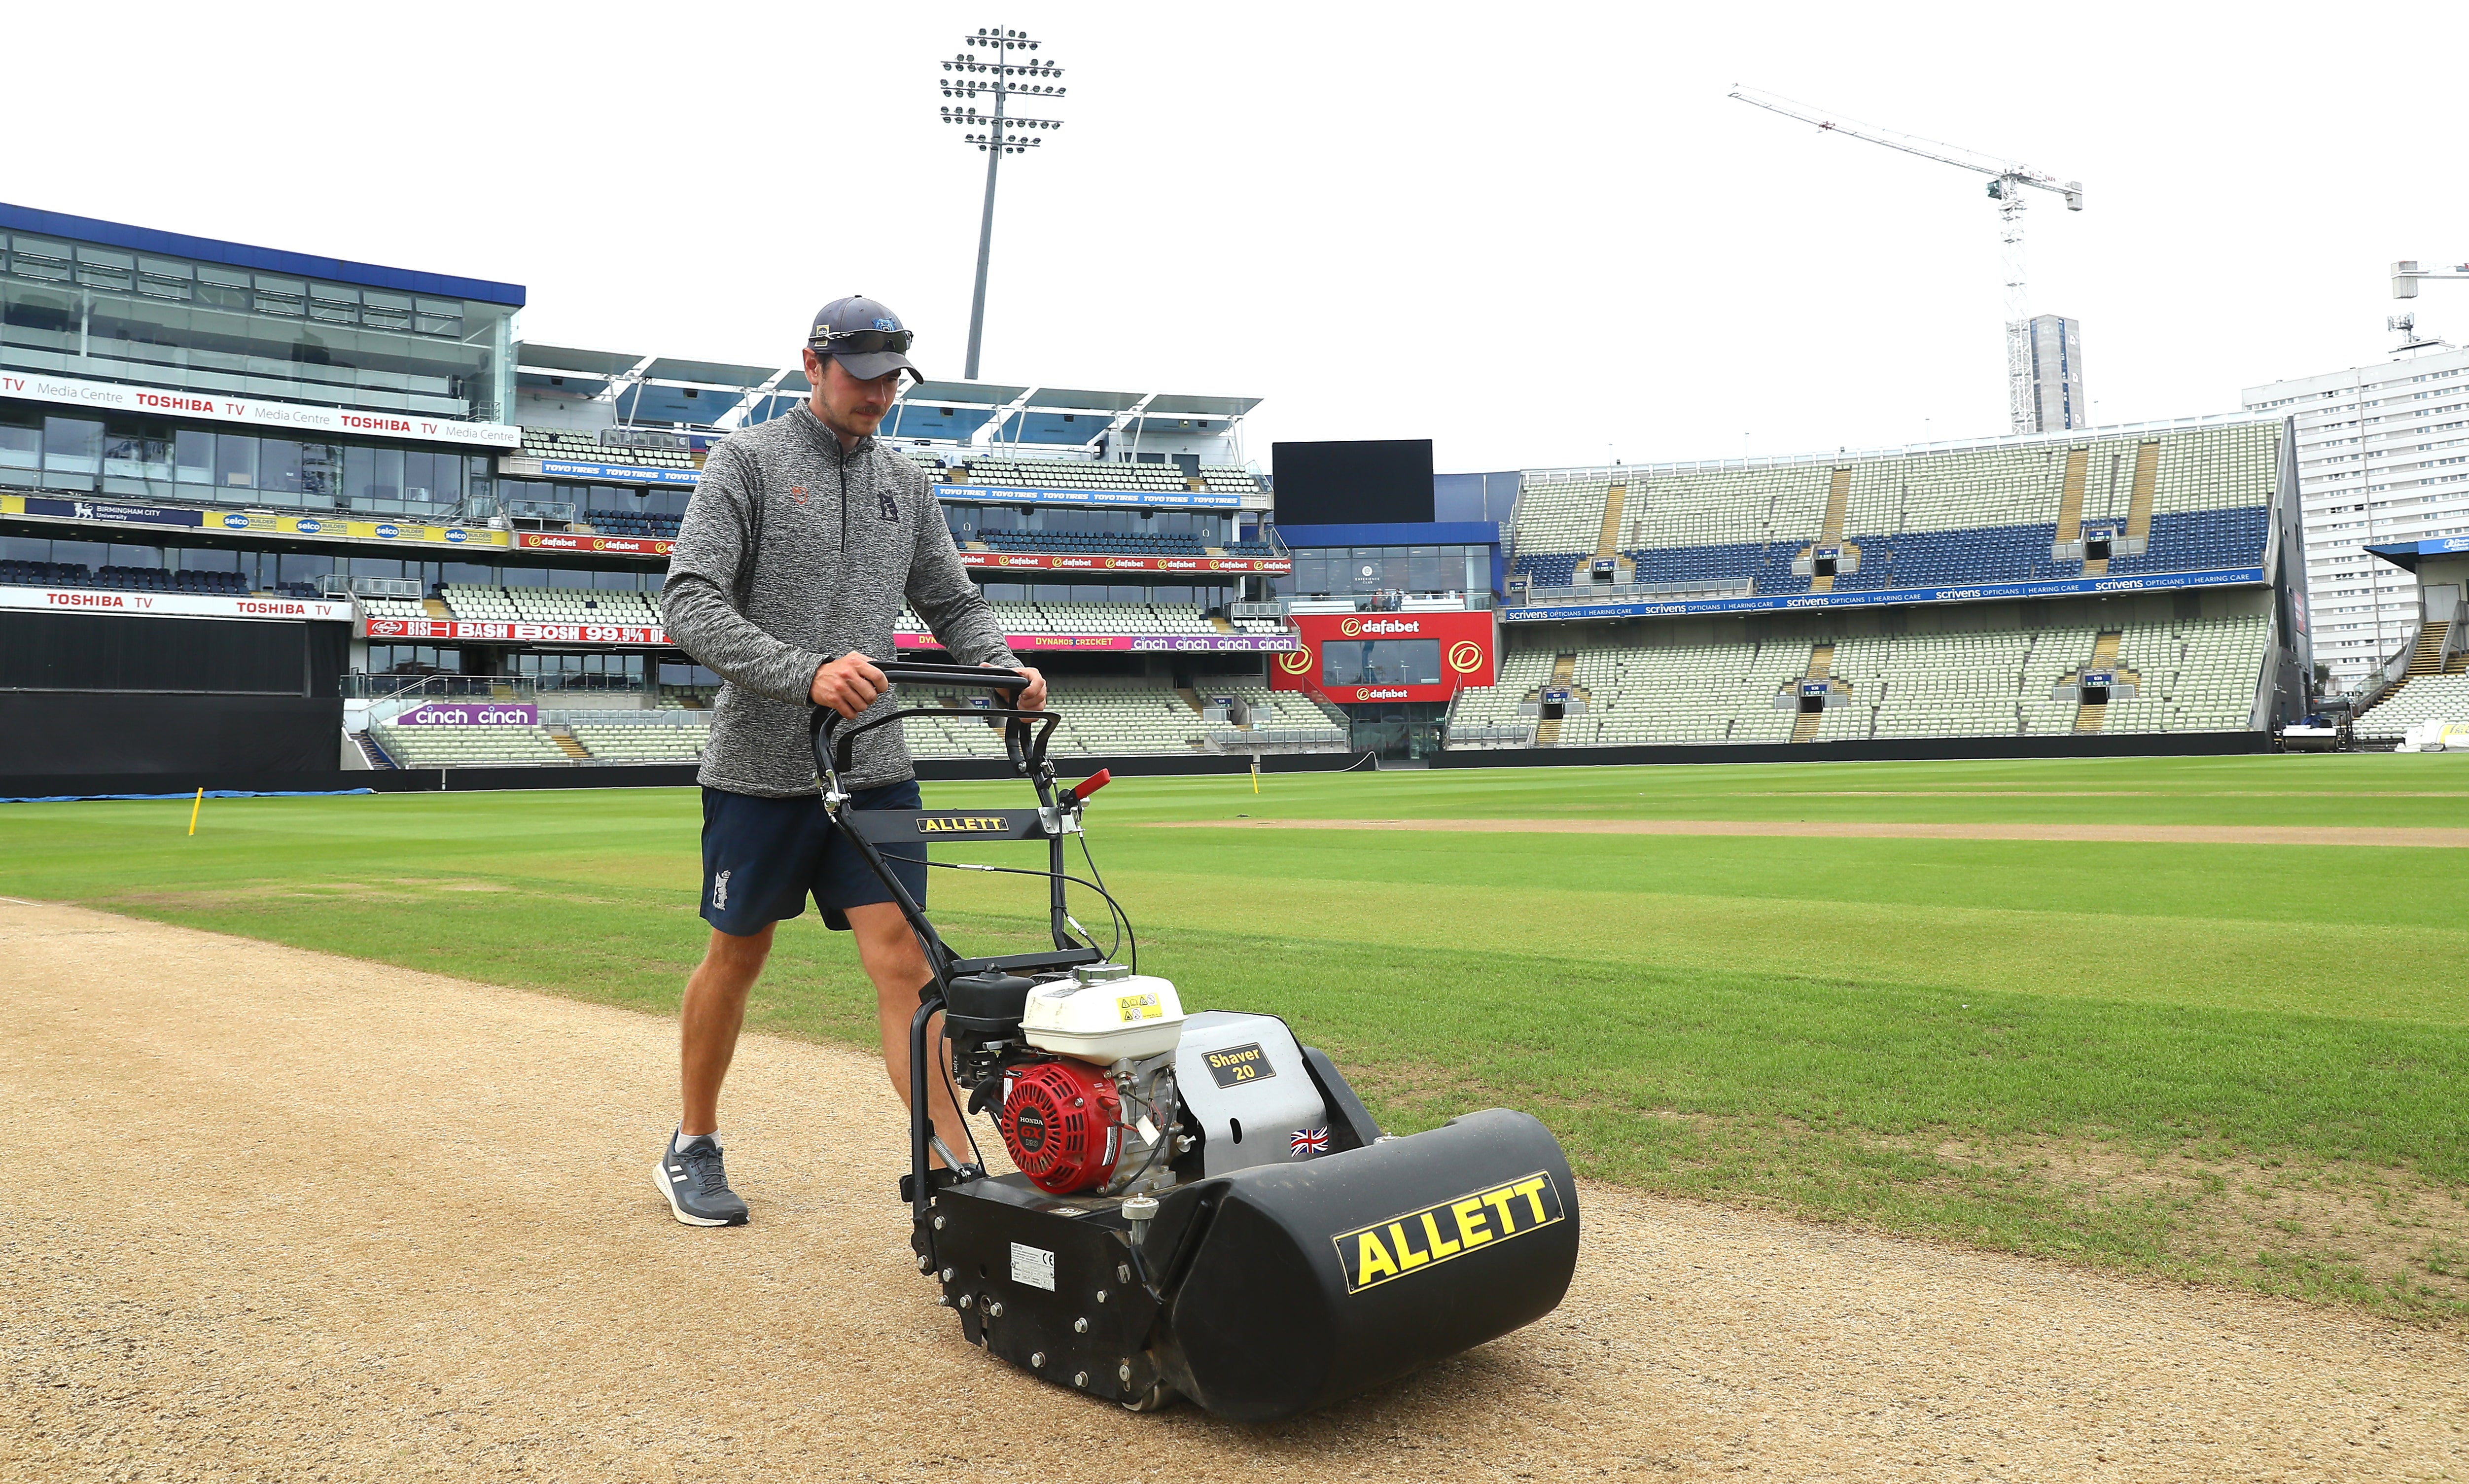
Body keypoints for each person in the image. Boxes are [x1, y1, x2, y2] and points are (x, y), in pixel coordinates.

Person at [652, 295, 1044, 1226]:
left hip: (873, 766)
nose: (877, 397)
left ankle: (954, 1169)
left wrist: (1003, 672)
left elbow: (953, 602)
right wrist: (807, 673)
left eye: (890, 381)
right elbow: (690, 603)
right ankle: (692, 1144)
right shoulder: (746, 462)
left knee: (906, 962)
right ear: (812, 364)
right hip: (759, 771)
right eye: (861, 378)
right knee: (736, 955)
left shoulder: (904, 484)